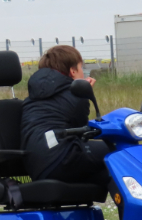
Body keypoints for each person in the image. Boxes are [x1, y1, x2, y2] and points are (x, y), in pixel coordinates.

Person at [20, 45, 109, 188]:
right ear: (73, 71)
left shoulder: (34, 95)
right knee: (121, 153)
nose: (84, 73)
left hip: (38, 165)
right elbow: (82, 132)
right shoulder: (75, 95)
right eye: (81, 68)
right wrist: (84, 94)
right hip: (61, 156)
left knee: (106, 174)